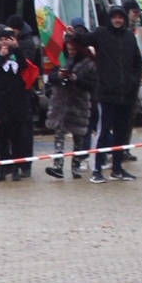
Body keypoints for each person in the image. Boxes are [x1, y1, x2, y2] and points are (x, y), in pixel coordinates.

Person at [92, 6, 142, 182]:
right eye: (114, 17)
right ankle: (96, 169)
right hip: (106, 95)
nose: (117, 20)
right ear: (110, 19)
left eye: (120, 17)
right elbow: (83, 41)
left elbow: (138, 62)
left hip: (126, 95)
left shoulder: (129, 36)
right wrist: (72, 34)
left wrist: (134, 82)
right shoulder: (101, 34)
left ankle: (117, 169)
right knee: (103, 132)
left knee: (122, 133)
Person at [0, 26, 35, 181]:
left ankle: (16, 168)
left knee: (17, 138)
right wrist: (1, 57)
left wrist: (17, 48)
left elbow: (25, 66)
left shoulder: (16, 57)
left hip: (16, 105)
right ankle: (1, 169)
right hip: (0, 105)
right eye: (1, 39)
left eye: (7, 39)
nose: (4, 42)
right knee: (1, 139)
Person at [43, 31, 95, 179]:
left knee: (78, 137)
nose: (71, 52)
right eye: (69, 49)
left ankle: (76, 167)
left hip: (78, 104)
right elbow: (51, 77)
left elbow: (93, 84)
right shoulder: (61, 60)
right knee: (59, 135)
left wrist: (76, 78)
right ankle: (58, 166)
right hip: (60, 103)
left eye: (73, 49)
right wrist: (59, 76)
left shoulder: (89, 63)